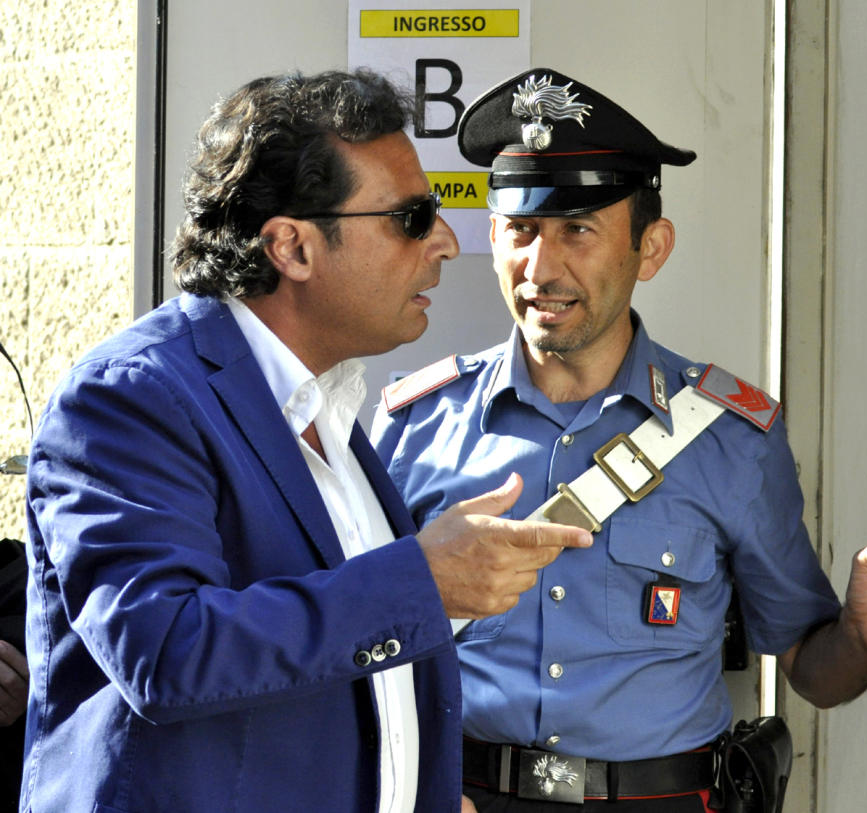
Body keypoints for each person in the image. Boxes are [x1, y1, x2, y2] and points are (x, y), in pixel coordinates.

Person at [371, 68, 867, 812]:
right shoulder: (412, 425)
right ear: (493, 235)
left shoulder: (732, 438)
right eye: (521, 230)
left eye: (578, 231)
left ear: (650, 248)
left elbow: (812, 667)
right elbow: (350, 643)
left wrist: (863, 629)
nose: (540, 268)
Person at [21, 70, 593, 813]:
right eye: (412, 217)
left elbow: (338, 673)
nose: (446, 244)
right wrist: (423, 579)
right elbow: (164, 648)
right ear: (291, 247)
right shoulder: (132, 397)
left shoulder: (329, 402)